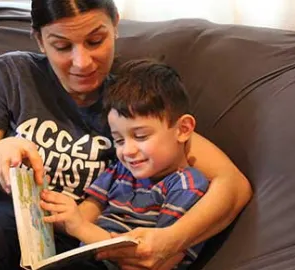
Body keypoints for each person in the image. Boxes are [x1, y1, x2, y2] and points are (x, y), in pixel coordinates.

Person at [0, 0, 252, 269]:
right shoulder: (12, 74)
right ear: (38, 39)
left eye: (96, 41)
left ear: (115, 23)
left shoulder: (129, 104)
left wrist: (172, 240)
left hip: (62, 251)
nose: (82, 62)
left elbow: (232, 184)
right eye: (62, 46)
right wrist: (1, 151)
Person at [40, 59, 209, 270]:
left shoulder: (187, 186)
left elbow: (158, 260)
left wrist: (81, 228)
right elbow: (86, 213)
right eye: (119, 140)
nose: (127, 151)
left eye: (140, 136)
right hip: (86, 257)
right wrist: (56, 209)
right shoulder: (121, 170)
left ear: (183, 129)